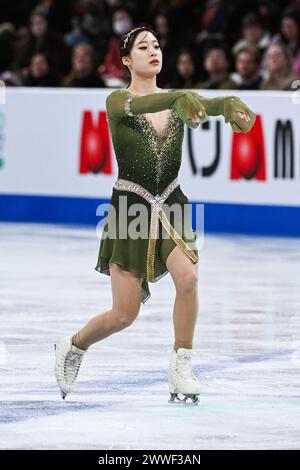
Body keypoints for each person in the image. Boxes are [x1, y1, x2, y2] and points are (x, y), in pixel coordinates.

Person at [54, 25, 256, 405]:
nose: (154, 51)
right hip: (130, 208)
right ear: (126, 60)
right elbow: (153, 104)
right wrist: (180, 98)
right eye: (143, 47)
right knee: (123, 314)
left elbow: (204, 107)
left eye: (157, 45)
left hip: (172, 201)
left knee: (189, 277)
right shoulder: (118, 101)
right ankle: (73, 345)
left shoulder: (176, 98)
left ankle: (181, 365)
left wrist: (225, 102)